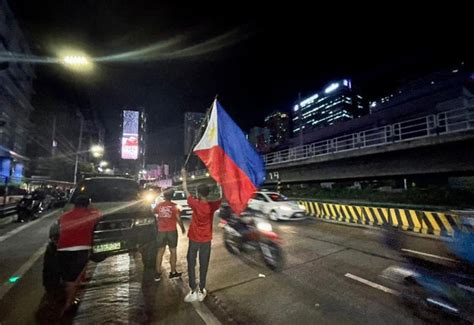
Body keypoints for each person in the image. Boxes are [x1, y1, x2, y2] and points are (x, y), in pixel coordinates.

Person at [181, 168, 222, 303]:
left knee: (191, 263)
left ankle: (193, 289)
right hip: (206, 240)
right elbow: (221, 197)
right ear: (208, 193)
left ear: (198, 193)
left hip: (194, 239)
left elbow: (185, 190)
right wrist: (220, 183)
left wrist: (184, 176)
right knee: (204, 264)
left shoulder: (195, 204)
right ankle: (202, 289)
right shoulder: (211, 205)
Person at [56, 195, 101, 315]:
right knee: (74, 279)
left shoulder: (64, 216)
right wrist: (92, 208)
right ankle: (68, 305)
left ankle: (70, 299)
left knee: (68, 278)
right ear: (87, 205)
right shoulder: (91, 216)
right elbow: (99, 213)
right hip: (80, 250)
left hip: (62, 250)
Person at [153, 188, 186, 282]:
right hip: (172, 231)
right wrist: (182, 228)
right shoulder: (175, 206)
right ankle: (173, 272)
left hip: (161, 232)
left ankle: (157, 274)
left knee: (160, 252)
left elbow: (154, 212)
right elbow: (178, 219)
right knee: (173, 251)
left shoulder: (159, 205)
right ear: (172, 197)